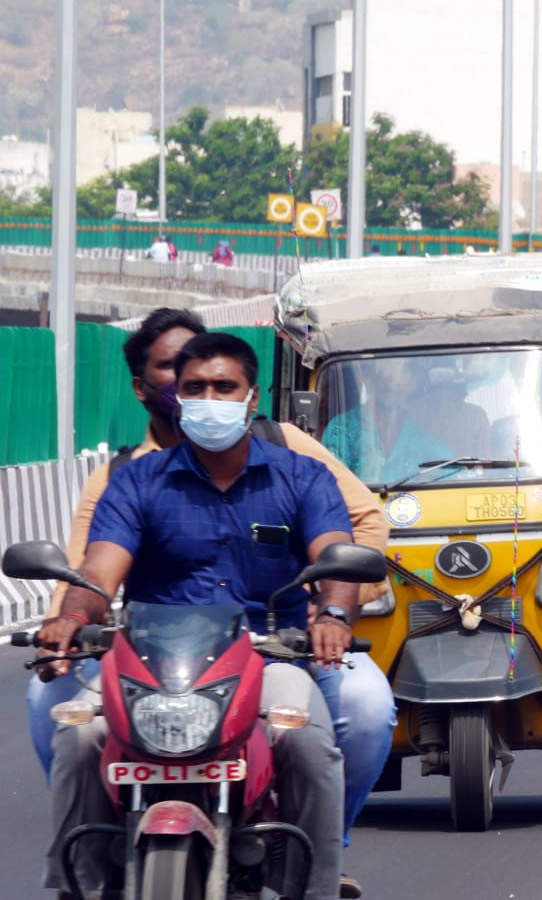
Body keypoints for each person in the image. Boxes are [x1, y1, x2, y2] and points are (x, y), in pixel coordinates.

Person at [27, 310, 391, 900]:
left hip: (271, 658)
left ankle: (314, 884)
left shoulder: (302, 476)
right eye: (194, 388)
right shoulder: (136, 481)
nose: (209, 399)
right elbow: (99, 569)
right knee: (77, 735)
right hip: (153, 664)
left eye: (225, 388)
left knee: (306, 742)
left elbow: (336, 554)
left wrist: (332, 615)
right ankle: (83, 884)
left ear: (251, 399)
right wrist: (71, 618)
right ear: (173, 397)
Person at [321, 358, 454, 486]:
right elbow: (331, 484)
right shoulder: (341, 428)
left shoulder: (422, 434)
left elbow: (451, 471)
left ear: (410, 383)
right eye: (385, 374)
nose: (393, 383)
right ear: (368, 379)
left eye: (400, 374)